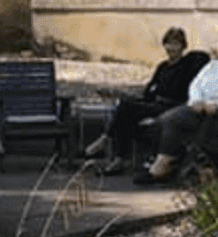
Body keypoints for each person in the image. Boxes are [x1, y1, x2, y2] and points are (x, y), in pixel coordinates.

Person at [136, 25, 218, 183]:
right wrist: (196, 102)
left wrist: (217, 105)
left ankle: (161, 166)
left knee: (171, 120)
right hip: (200, 111)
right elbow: (196, 85)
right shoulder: (213, 66)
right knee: (163, 120)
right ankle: (163, 162)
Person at [81, 26, 209, 174]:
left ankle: (108, 145)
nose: (171, 48)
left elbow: (203, 58)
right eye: (168, 44)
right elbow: (148, 92)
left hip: (172, 107)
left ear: (183, 46)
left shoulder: (188, 65)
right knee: (125, 108)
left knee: (127, 108)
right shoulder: (162, 67)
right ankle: (117, 157)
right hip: (155, 104)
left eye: (176, 44)